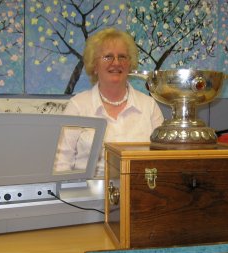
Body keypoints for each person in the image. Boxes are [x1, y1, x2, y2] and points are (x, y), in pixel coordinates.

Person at [54, 27, 164, 177]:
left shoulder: (149, 106)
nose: (116, 63)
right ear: (94, 66)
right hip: (87, 195)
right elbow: (61, 163)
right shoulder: (78, 106)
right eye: (108, 56)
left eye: (122, 57)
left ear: (130, 64)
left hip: (138, 192)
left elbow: (162, 160)